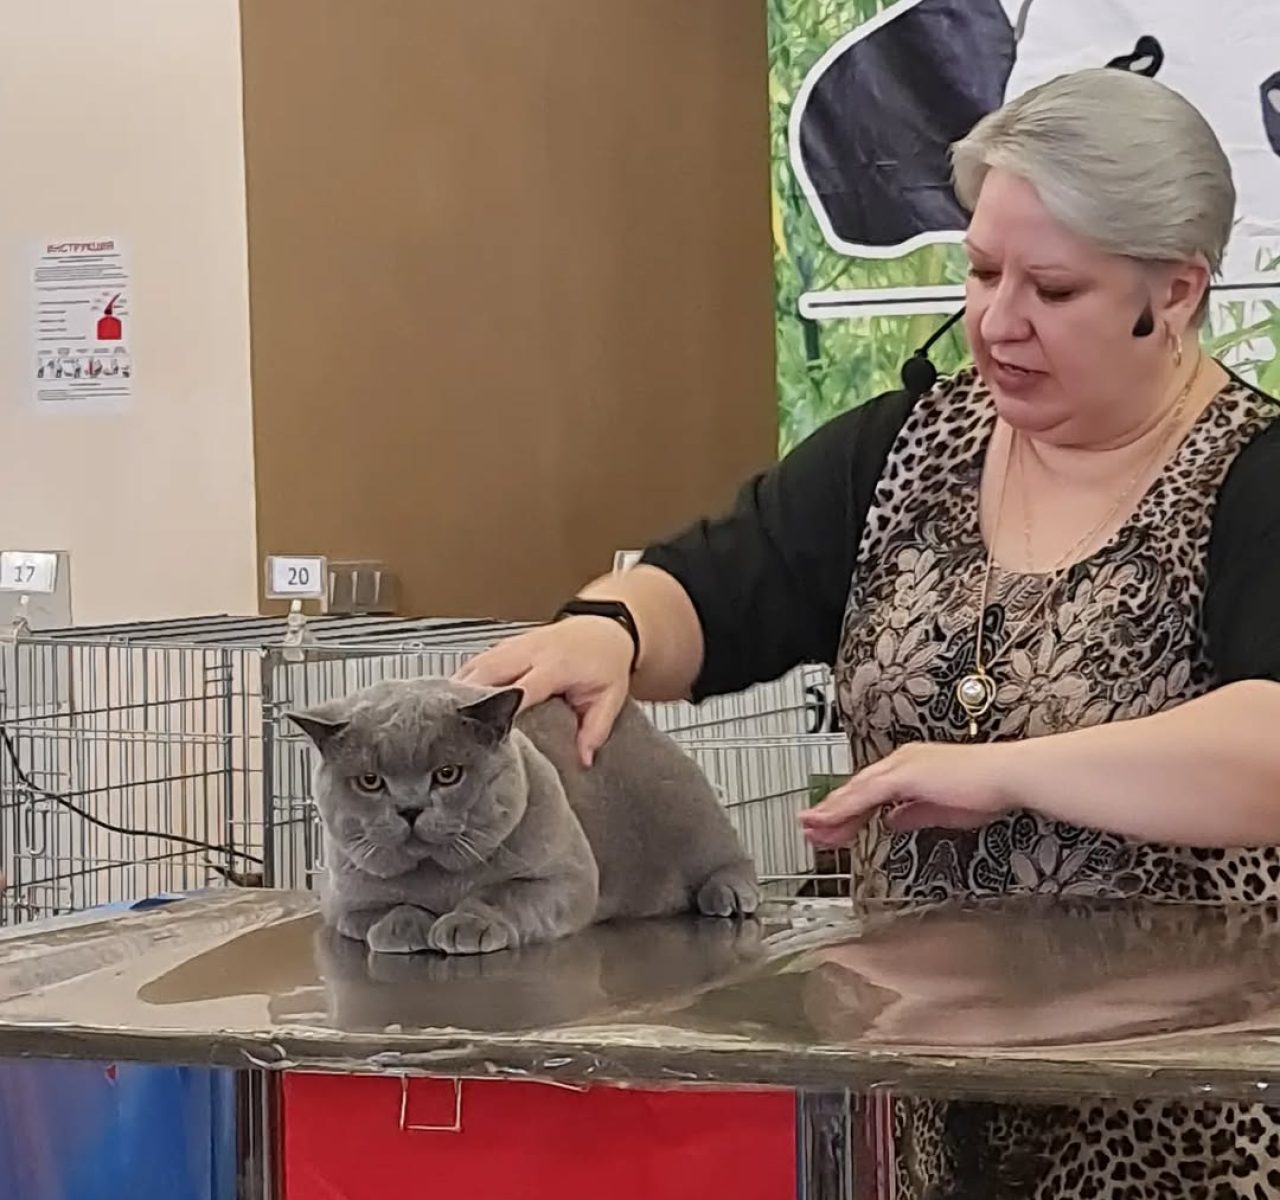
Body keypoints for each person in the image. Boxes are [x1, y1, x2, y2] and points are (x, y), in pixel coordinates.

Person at [461, 67, 1280, 1196]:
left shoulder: (1253, 479)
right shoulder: (900, 448)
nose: (996, 322)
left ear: (1175, 292)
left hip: (1188, 1125)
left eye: (1050, 289)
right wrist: (607, 629)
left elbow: (1265, 749)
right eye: (980, 270)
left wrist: (1006, 775)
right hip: (922, 1103)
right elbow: (716, 584)